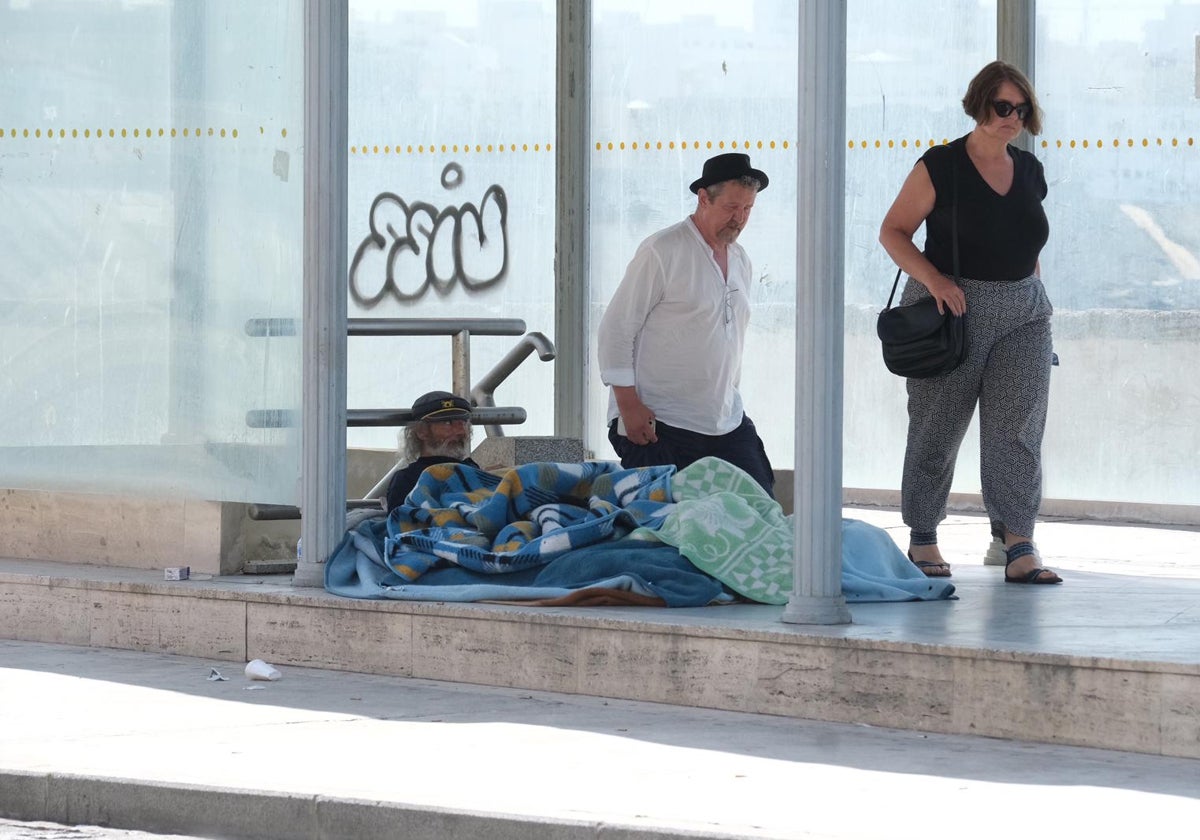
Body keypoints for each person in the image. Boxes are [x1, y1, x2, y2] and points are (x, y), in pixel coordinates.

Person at [878, 60, 1062, 585]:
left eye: (1021, 110)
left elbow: (1027, 242)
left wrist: (1037, 294)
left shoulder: (1029, 170)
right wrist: (935, 281)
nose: (1012, 118)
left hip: (1025, 312)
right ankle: (923, 534)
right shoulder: (942, 165)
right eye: (1003, 107)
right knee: (938, 426)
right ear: (979, 104)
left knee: (1018, 430)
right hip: (953, 311)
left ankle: (1018, 539)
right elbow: (893, 231)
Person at [597, 152, 775, 497]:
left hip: (725, 419)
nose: (739, 219)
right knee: (671, 527)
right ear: (703, 198)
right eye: (730, 208)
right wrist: (629, 406)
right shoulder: (662, 250)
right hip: (659, 423)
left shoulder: (741, 261)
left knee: (760, 509)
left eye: (747, 209)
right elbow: (615, 330)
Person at [383, 390, 478, 511]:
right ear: (422, 431)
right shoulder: (407, 479)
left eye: (462, 423)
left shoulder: (472, 469)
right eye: (448, 423)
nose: (460, 431)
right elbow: (400, 523)